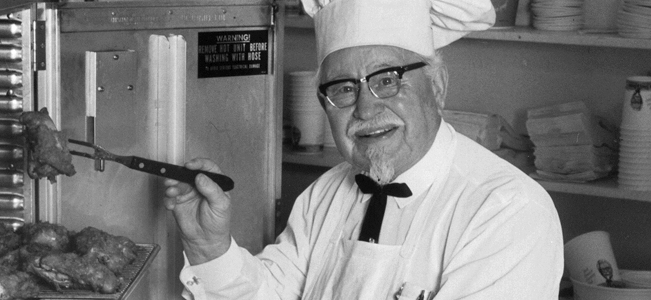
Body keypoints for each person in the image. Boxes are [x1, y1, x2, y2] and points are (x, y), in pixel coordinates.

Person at [163, 0, 565, 298]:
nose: (367, 108)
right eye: (344, 89)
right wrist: (209, 247)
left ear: (438, 88)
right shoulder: (326, 193)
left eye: (387, 80)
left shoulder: (507, 209)